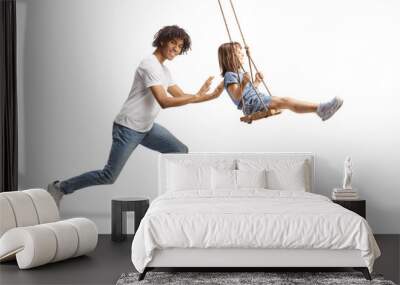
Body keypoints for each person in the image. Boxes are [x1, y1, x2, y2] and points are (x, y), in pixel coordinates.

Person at [47, 25, 224, 208]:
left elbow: (181, 96)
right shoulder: (149, 64)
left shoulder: (165, 71)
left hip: (147, 127)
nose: (176, 49)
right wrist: (196, 96)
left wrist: (209, 96)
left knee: (180, 151)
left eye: (180, 46)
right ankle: (60, 188)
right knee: (109, 176)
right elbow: (164, 101)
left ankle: (174, 199)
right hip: (127, 128)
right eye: (173, 42)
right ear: (162, 40)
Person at [217, 42, 343, 120]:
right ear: (230, 57)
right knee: (286, 101)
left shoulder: (239, 73)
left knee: (285, 101)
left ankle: (320, 110)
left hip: (256, 99)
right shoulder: (229, 75)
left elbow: (247, 92)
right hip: (251, 105)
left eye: (242, 53)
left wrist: (256, 82)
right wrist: (244, 82)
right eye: (239, 53)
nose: (242, 55)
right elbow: (237, 97)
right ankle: (320, 109)